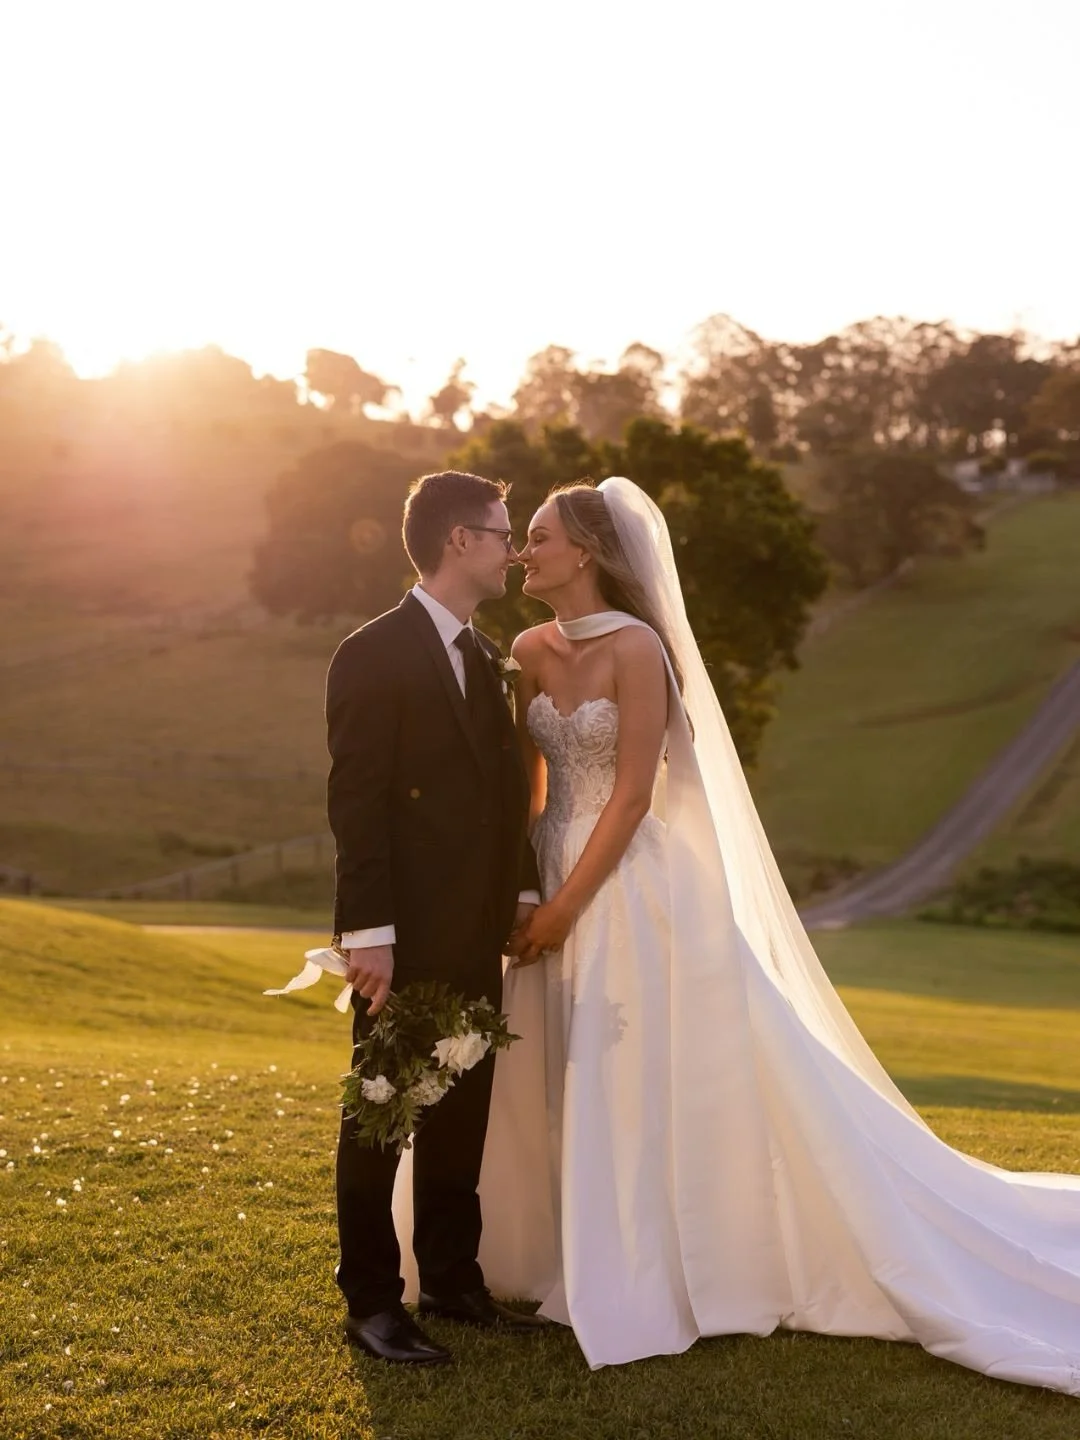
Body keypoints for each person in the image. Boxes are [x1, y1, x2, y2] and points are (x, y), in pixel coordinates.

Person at [470, 476, 1080, 1393]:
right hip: (549, 872)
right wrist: (525, 890)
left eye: (541, 537)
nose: (524, 552)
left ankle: (652, 1257)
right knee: (559, 1067)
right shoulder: (523, 647)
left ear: (586, 554)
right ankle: (557, 1242)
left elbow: (633, 796)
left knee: (631, 1069)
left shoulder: (639, 648)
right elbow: (531, 786)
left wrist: (566, 909)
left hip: (627, 888)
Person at [326, 469, 545, 1366]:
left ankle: (453, 1279)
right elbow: (357, 800)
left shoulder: (487, 653)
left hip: (477, 927)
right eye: (502, 532)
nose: (514, 548)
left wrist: (524, 889)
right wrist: (366, 932)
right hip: (403, 933)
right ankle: (374, 1302)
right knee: (382, 1111)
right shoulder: (371, 652)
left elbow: (508, 795)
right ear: (460, 540)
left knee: (461, 1108)